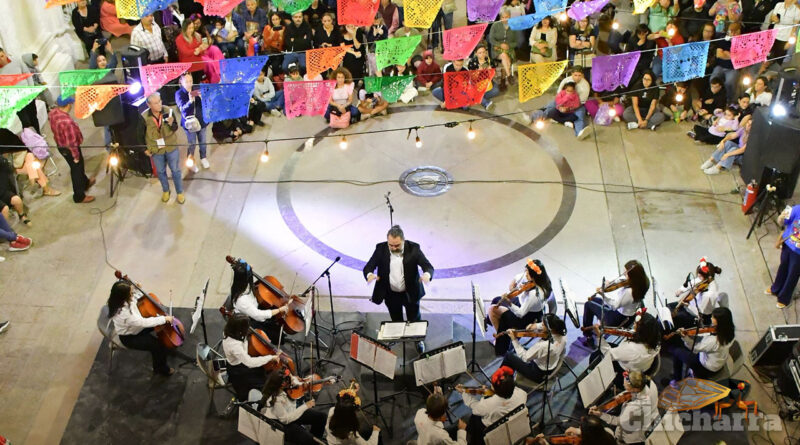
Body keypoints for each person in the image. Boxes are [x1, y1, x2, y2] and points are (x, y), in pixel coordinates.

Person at [363, 225, 434, 353]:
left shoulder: (414, 248)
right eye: (391, 245)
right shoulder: (380, 249)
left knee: (414, 318)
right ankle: (397, 335)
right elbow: (368, 266)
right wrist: (369, 275)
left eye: (397, 245)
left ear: (403, 240)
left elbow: (427, 266)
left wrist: (427, 275)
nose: (394, 248)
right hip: (391, 294)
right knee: (395, 318)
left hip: (410, 292)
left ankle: (418, 340)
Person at [107, 281, 175, 376]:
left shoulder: (117, 300)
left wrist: (135, 289)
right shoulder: (125, 314)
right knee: (158, 346)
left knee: (159, 323)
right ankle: (161, 369)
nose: (132, 294)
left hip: (134, 328)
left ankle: (167, 342)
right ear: (124, 296)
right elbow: (143, 323)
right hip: (130, 337)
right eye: (130, 293)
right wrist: (164, 319)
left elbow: (133, 300)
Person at [489, 259, 552, 355]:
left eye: (527, 272)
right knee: (496, 300)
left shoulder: (535, 294)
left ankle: (502, 340)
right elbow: (520, 279)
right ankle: (503, 336)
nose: (525, 274)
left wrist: (509, 303)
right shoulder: (541, 281)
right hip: (526, 306)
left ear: (533, 275)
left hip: (525, 318)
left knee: (493, 309)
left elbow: (520, 313)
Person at [580, 260, 649, 348]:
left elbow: (614, 306)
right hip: (630, 315)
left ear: (632, 276)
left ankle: (588, 335)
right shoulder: (643, 282)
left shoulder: (629, 292)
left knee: (588, 304)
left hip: (617, 318)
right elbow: (622, 282)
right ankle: (590, 330)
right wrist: (610, 284)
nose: (623, 275)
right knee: (594, 300)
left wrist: (603, 294)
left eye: (626, 274)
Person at [455, 366, 526, 445]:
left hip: (491, 429)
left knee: (474, 418)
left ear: (496, 390)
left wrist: (463, 393)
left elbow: (474, 407)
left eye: (492, 385)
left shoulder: (487, 404)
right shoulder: (522, 394)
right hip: (512, 423)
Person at [259, 369, 329, 444]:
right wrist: (306, 406)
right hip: (282, 423)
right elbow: (286, 420)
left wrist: (323, 382)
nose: (293, 379)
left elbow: (304, 385)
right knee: (308, 439)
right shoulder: (276, 399)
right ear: (283, 384)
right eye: (290, 379)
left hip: (291, 411)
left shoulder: (289, 384)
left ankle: (316, 439)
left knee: (321, 417)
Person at [588, 371, 659, 444]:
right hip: (651, 417)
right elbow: (628, 392)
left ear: (634, 389)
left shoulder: (634, 408)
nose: (623, 385)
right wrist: (602, 407)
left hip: (632, 435)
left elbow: (617, 421)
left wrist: (600, 414)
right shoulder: (649, 383)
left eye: (625, 387)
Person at [668, 307, 735, 383]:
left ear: (719, 321)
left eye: (713, 317)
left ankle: (677, 381)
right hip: (718, 361)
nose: (711, 318)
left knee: (675, 350)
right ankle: (677, 377)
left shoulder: (714, 341)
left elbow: (695, 349)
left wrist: (685, 337)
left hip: (706, 368)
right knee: (681, 349)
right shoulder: (730, 331)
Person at [48, 96, 95, 204]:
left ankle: (85, 183)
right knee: (76, 170)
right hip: (69, 149)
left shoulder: (53, 113)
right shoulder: (67, 122)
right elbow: (72, 143)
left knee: (79, 167)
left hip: (60, 145)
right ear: (68, 105)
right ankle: (79, 196)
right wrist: (76, 157)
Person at [594, 311, 661, 386]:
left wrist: (599, 336)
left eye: (635, 324)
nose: (634, 325)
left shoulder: (631, 348)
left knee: (595, 355)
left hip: (627, 374)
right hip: (643, 367)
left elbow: (609, 354)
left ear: (641, 331)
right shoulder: (656, 341)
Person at [229, 259, 289, 342]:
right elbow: (258, 315)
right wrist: (279, 310)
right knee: (277, 335)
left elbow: (243, 266)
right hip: (251, 320)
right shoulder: (241, 300)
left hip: (254, 307)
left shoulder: (241, 282)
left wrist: (249, 269)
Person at [526, 66, 593, 140]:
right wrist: (560, 105)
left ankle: (579, 132)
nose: (577, 77)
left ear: (583, 75)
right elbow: (559, 95)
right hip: (562, 102)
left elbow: (580, 102)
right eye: (575, 75)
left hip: (576, 105)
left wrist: (569, 108)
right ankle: (534, 117)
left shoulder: (585, 86)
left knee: (580, 115)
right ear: (572, 74)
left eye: (579, 75)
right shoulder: (565, 80)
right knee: (548, 107)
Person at [223, 314, 279, 401]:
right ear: (240, 329)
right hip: (238, 370)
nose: (249, 328)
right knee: (263, 383)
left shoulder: (230, 331)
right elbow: (249, 363)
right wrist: (270, 357)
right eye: (246, 326)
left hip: (241, 362)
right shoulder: (235, 345)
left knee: (262, 371)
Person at [142, 92, 184, 204]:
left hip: (171, 146)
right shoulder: (144, 117)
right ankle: (166, 190)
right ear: (149, 105)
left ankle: (179, 192)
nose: (160, 104)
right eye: (156, 103)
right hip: (156, 149)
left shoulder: (168, 111)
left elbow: (175, 127)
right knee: (160, 171)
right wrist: (144, 149)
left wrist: (172, 124)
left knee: (175, 170)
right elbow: (140, 134)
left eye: (160, 101)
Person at [501, 314, 567, 383]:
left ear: (550, 329)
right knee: (518, 350)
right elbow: (544, 325)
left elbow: (525, 357)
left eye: (543, 325)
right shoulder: (563, 335)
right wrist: (533, 326)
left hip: (537, 373)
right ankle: (509, 376)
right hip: (550, 365)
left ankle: (499, 382)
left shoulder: (543, 346)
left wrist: (514, 339)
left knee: (508, 356)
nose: (541, 325)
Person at [667, 258, 723, 329]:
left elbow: (701, 311)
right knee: (668, 307)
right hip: (690, 305)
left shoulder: (710, 294)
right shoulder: (704, 279)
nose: (698, 277)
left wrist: (686, 304)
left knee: (673, 319)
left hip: (698, 315)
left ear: (708, 277)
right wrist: (680, 290)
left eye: (700, 276)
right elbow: (692, 282)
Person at [175, 73, 210, 172]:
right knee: (192, 144)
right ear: (181, 82)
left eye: (190, 81)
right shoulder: (179, 93)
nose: (189, 83)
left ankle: (203, 158)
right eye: (186, 81)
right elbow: (182, 108)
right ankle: (191, 162)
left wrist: (203, 98)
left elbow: (206, 102)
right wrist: (190, 101)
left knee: (203, 141)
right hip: (189, 123)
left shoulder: (196, 88)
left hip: (201, 120)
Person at [768, 204, 800, 308]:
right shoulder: (798, 208)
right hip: (788, 244)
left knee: (792, 274)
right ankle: (775, 288)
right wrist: (781, 217)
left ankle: (784, 298)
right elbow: (783, 221)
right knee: (783, 267)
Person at [758, 0, 800, 75]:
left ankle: (772, 77)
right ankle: (759, 76)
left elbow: (795, 27)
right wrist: (775, 19)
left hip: (784, 39)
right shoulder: (779, 5)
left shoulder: (796, 10)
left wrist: (789, 42)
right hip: (774, 37)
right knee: (766, 59)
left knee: (778, 61)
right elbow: (772, 17)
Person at [175, 19, 222, 84]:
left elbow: (201, 50)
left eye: (192, 28)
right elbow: (185, 52)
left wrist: (201, 48)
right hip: (188, 65)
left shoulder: (197, 36)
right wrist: (196, 50)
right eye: (189, 28)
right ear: (184, 28)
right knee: (193, 85)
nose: (191, 30)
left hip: (199, 63)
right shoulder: (179, 39)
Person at [529, 415, 615, 445]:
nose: (578, 428)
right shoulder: (608, 432)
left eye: (580, 427)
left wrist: (545, 443)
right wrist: (577, 431)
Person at [710, 22, 741, 103]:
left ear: (739, 31)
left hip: (733, 68)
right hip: (720, 66)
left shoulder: (742, 42)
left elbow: (741, 57)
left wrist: (727, 53)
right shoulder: (723, 39)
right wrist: (733, 56)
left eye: (735, 31)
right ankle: (713, 98)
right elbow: (719, 54)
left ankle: (729, 100)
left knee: (729, 83)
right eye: (731, 31)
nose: (733, 33)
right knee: (713, 79)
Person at [489, 8, 520, 88]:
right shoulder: (495, 25)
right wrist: (500, 45)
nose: (504, 19)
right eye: (502, 17)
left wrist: (508, 46)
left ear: (510, 17)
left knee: (506, 59)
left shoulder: (514, 27)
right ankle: (509, 76)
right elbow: (491, 39)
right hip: (496, 49)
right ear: (500, 18)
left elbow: (516, 42)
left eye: (506, 17)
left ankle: (503, 79)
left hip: (509, 50)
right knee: (504, 56)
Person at [0, 157, 31, 226]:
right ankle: (5, 229)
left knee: (17, 200)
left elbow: (5, 163)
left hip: (2, 191)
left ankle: (22, 216)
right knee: (5, 209)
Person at [467, 45, 499, 110]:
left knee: (496, 90)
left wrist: (491, 71)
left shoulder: (489, 60)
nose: (482, 54)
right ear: (476, 53)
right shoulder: (472, 62)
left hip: (487, 84)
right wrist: (478, 71)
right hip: (476, 85)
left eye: (484, 52)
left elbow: (495, 75)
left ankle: (478, 97)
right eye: (480, 53)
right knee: (472, 90)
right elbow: (471, 78)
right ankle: (485, 102)